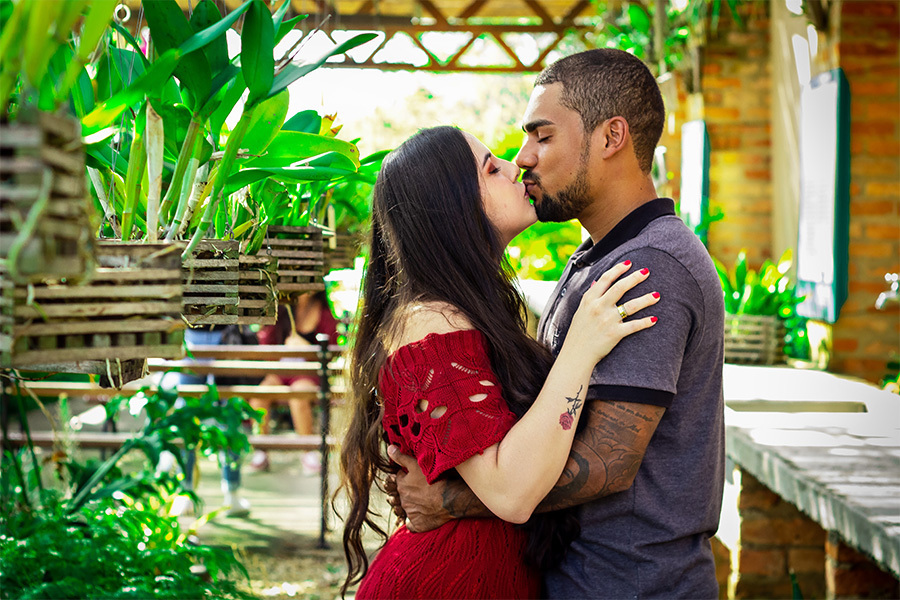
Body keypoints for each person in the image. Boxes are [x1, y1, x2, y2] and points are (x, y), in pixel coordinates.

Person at [388, 48, 726, 598]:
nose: (523, 158)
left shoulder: (649, 266)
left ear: (611, 137)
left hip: (632, 585)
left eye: (542, 137)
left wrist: (449, 500)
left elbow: (607, 461)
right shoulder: (597, 258)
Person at [339, 125, 661, 599]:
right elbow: (510, 493)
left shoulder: (468, 311)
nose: (517, 167)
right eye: (492, 168)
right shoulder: (431, 323)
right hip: (444, 583)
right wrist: (581, 347)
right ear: (454, 208)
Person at [249, 291, 339, 472]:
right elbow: (266, 344)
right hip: (281, 371)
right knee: (259, 395)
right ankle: (261, 450)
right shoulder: (281, 311)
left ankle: (308, 453)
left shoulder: (324, 313)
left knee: (298, 395)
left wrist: (308, 349)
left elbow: (334, 348)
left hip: (309, 373)